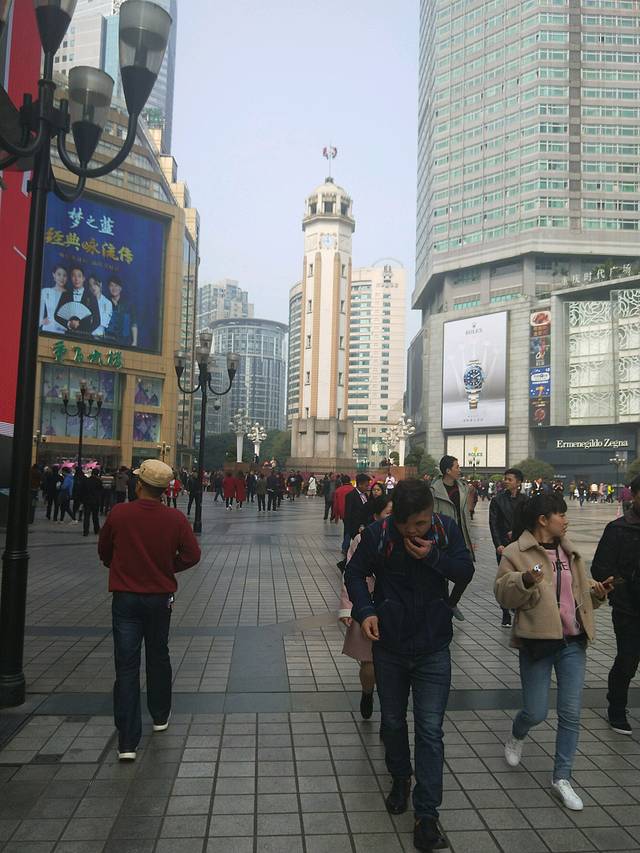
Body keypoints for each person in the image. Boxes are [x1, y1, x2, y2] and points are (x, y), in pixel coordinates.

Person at [345, 480, 474, 852]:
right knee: (392, 721)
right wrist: (366, 610)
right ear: (396, 520)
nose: (420, 530)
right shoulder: (378, 534)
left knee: (431, 730)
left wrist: (433, 556)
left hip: (434, 645)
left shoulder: (445, 530)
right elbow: (353, 573)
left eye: (424, 521)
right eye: (412, 525)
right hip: (390, 645)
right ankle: (401, 777)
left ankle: (427, 814)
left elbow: (465, 570)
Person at [494, 493, 612, 811]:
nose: (566, 519)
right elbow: (502, 594)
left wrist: (598, 593)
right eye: (561, 514)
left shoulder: (569, 550)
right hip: (537, 641)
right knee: (536, 711)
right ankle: (518, 733)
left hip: (572, 642)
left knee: (570, 713)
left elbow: (579, 593)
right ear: (543, 520)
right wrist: (525, 580)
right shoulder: (517, 552)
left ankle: (562, 777)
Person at [98, 459, 201, 760]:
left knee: (126, 664)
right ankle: (159, 715)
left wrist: (119, 565)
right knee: (158, 654)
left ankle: (127, 742)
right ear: (165, 489)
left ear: (140, 485)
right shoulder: (175, 518)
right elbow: (192, 555)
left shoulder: (120, 513)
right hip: (159, 597)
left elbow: (104, 551)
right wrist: (168, 567)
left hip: (126, 598)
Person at [591, 474, 640, 735]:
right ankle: (617, 708)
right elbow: (601, 568)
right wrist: (624, 586)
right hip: (628, 608)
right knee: (627, 660)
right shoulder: (618, 528)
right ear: (635, 495)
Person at [339, 494, 393, 719]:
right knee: (368, 661)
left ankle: (390, 709)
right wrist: (347, 607)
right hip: (367, 605)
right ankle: (367, 692)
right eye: (389, 513)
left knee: (393, 664)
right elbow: (350, 575)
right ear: (376, 516)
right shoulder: (362, 539)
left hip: (395, 608)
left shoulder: (407, 538)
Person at [431, 455, 475, 622]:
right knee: (440, 577)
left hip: (460, 537)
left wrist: (470, 539)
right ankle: (442, 611)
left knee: (467, 571)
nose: (459, 470)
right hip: (443, 538)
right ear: (448, 470)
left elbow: (466, 515)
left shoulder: (462, 488)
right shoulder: (434, 490)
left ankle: (451, 602)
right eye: (457, 467)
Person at [489, 467, 528, 628]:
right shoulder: (497, 500)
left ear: (518, 482)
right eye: (505, 479)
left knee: (520, 577)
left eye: (509, 479)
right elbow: (493, 524)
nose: (506, 481)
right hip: (504, 546)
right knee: (505, 579)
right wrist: (498, 544)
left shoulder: (525, 500)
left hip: (520, 545)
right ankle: (505, 611)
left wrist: (518, 532)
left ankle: (517, 608)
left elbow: (529, 522)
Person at [54, 264, 100, 335]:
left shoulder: (91, 297)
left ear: (83, 278)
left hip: (85, 336)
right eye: (73, 276)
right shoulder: (65, 295)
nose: (76, 279)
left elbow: (97, 321)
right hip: (68, 334)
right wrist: (69, 323)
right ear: (71, 278)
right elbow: (57, 315)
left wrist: (86, 332)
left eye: (79, 276)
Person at [105, 275, 138, 347]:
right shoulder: (105, 302)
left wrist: (134, 342)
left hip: (124, 341)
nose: (114, 288)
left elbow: (134, 323)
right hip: (108, 340)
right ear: (108, 287)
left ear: (120, 288)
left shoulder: (129, 304)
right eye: (111, 285)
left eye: (116, 286)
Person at [343, 473, 372, 554]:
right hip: (355, 527)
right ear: (359, 484)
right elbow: (348, 513)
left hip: (364, 525)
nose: (368, 487)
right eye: (366, 485)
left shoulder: (365, 495)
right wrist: (349, 529)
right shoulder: (351, 496)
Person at [39, 264, 68, 334]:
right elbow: (40, 311)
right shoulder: (45, 291)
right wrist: (41, 322)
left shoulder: (69, 294)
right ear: (54, 275)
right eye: (59, 274)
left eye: (64, 275)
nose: (61, 278)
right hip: (47, 329)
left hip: (63, 331)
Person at [79, 468, 103, 536]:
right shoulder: (98, 481)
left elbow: (82, 490)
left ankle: (85, 531)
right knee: (95, 516)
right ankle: (96, 530)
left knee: (86, 516)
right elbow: (101, 491)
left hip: (87, 500)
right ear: (97, 474)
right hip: (95, 501)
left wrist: (82, 500)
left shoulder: (86, 480)